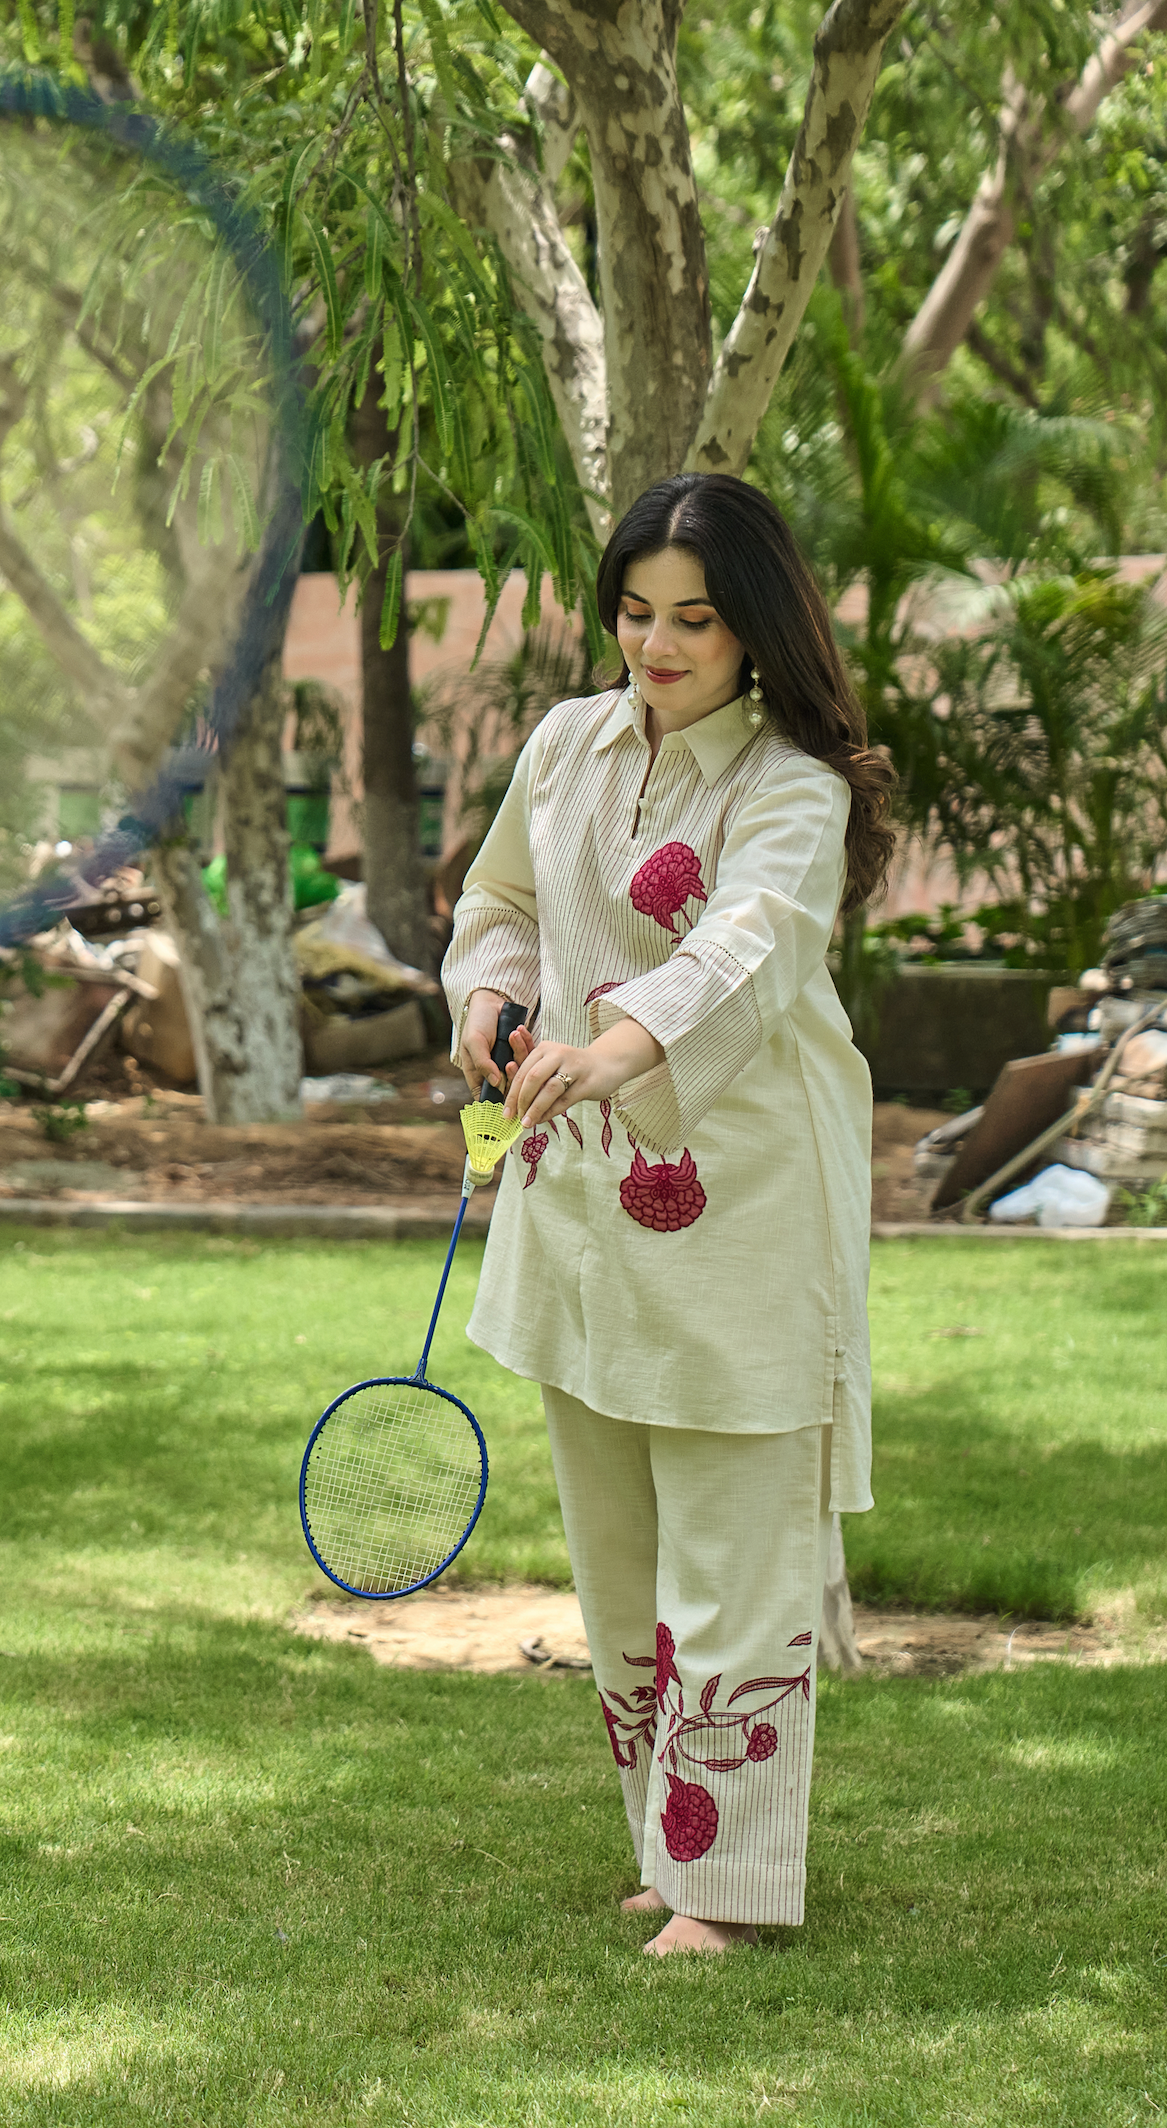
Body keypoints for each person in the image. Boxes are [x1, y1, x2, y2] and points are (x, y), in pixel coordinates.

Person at [442, 472, 890, 1956]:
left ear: (753, 627)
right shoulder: (566, 743)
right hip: (577, 1201)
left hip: (747, 1204)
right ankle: (665, 1846)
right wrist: (491, 1000)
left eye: (693, 619)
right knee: (617, 1549)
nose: (656, 644)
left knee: (730, 1542)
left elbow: (738, 956)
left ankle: (730, 1889)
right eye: (635, 613)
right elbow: (499, 898)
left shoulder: (789, 787)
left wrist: (616, 1044)